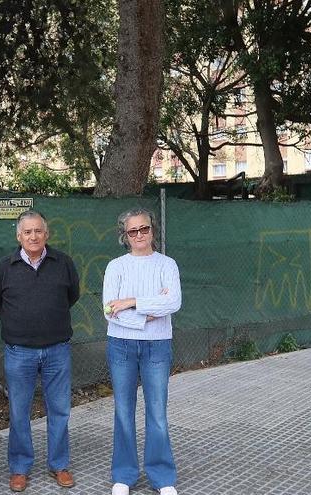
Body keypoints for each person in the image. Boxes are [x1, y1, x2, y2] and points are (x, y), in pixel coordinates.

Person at [0, 210, 80, 493]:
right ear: (18, 236)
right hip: (19, 352)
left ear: (46, 234)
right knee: (19, 412)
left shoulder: (63, 263)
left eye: (38, 231)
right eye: (27, 232)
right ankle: (19, 468)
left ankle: (59, 465)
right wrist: (17, 322)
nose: (33, 236)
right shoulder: (5, 267)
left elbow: (71, 296)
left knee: (60, 410)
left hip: (57, 350)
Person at [102, 208, 182, 495]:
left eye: (144, 229)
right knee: (123, 410)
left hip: (158, 345)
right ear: (125, 235)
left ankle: (162, 478)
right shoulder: (116, 266)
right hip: (121, 345)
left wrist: (132, 301)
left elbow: (173, 302)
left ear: (152, 230)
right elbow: (109, 309)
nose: (139, 235)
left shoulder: (167, 265)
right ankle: (124, 475)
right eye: (132, 231)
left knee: (157, 412)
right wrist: (148, 314)